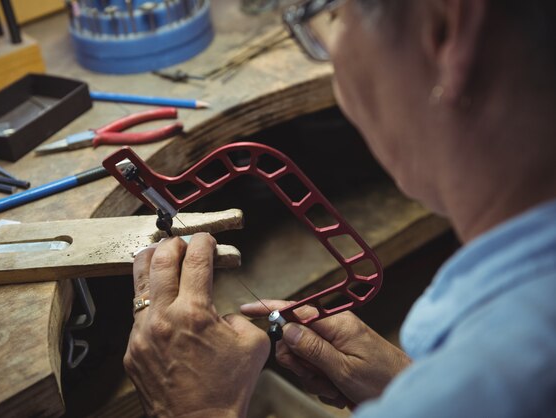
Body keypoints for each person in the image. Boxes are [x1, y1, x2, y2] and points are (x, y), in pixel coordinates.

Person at [123, 0, 556, 416]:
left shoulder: (507, 370)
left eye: (333, 13)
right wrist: (406, 385)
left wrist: (198, 408)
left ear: (446, 31)